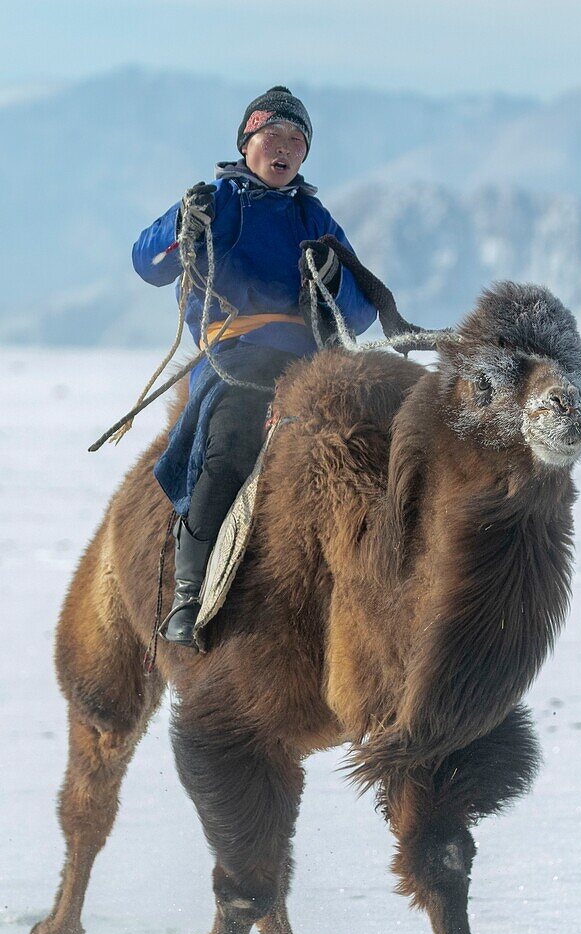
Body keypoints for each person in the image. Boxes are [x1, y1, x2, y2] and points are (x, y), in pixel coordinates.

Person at [132, 86, 377, 647]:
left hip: (308, 365)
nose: (286, 147)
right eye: (274, 135)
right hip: (234, 359)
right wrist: (179, 226)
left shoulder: (313, 216)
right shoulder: (213, 202)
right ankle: (190, 594)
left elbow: (359, 308)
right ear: (247, 142)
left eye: (298, 139)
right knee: (233, 436)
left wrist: (334, 278)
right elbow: (148, 266)